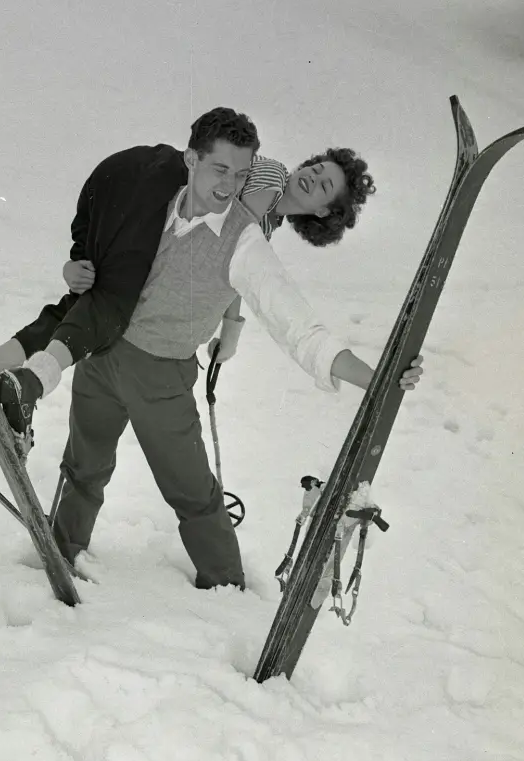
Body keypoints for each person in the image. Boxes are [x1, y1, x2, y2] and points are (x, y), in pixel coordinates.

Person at [41, 108, 422, 591]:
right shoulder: (165, 199)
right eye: (221, 169)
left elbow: (299, 326)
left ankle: (225, 589)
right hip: (101, 354)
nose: (229, 183)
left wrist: (378, 377)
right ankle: (60, 549)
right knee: (82, 467)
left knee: (193, 492)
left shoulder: (247, 239)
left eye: (238, 175)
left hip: (160, 376)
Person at [0, 112, 387, 457]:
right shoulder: (270, 177)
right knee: (109, 310)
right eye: (317, 169)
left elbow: (232, 257)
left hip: (117, 183)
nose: (311, 177)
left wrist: (230, 327)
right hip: (142, 190)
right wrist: (229, 324)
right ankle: (29, 386)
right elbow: (234, 242)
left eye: (323, 186)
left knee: (74, 314)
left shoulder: (265, 225)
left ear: (324, 213)